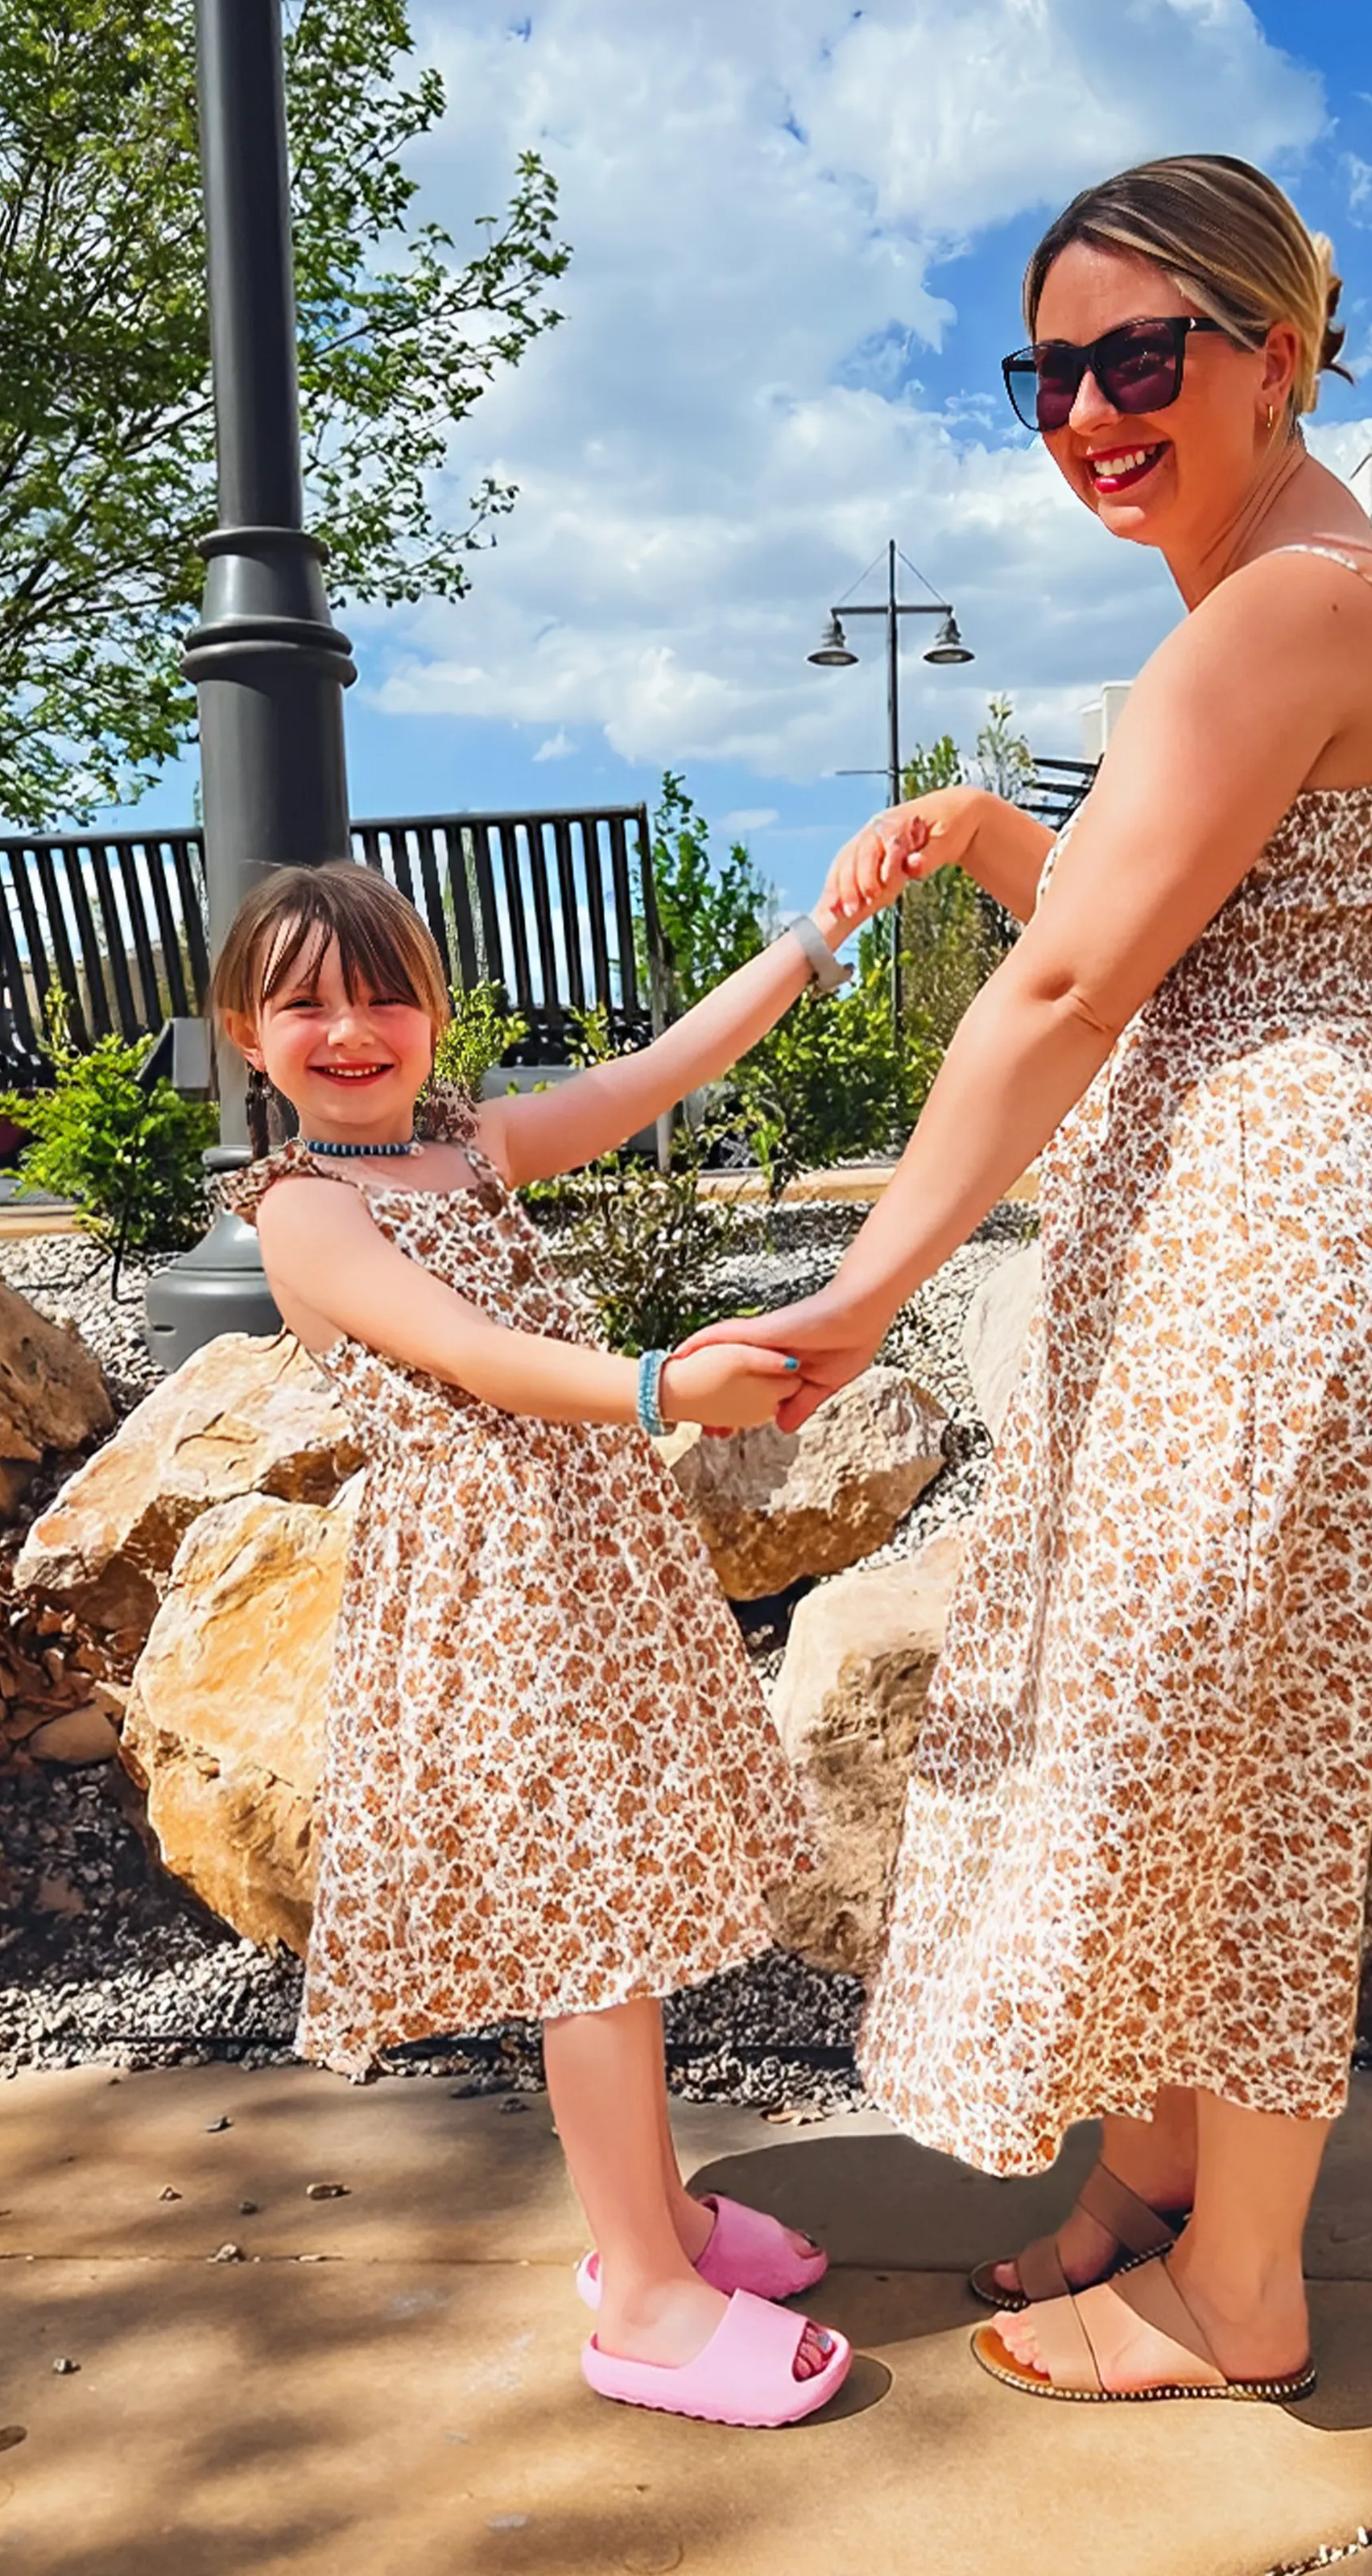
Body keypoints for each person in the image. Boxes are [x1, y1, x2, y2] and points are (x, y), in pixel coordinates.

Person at [683, 153, 1372, 2405]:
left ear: (1270, 349)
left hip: (1289, 1249)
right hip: (1267, 1234)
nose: (1084, 413)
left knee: (1236, 1762)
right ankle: (1155, 2185)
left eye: (1134, 358)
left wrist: (857, 1294)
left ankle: (1241, 2293)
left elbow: (1066, 998)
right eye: (1047, 372)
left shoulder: (1275, 611)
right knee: (1162, 1739)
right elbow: (1185, 923)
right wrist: (980, 828)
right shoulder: (1294, 592)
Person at [208, 858, 886, 2429]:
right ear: (249, 1032)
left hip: (587, 1569)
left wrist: (812, 937)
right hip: (490, 1588)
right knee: (591, 1938)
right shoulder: (307, 1207)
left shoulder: (467, 1144)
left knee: (629, 1906)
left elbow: (662, 1070)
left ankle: (663, 2220)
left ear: (437, 1014)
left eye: (385, 992)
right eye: (306, 1000)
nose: (352, 1027)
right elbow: (472, 1353)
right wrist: (664, 1388)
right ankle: (644, 2295)